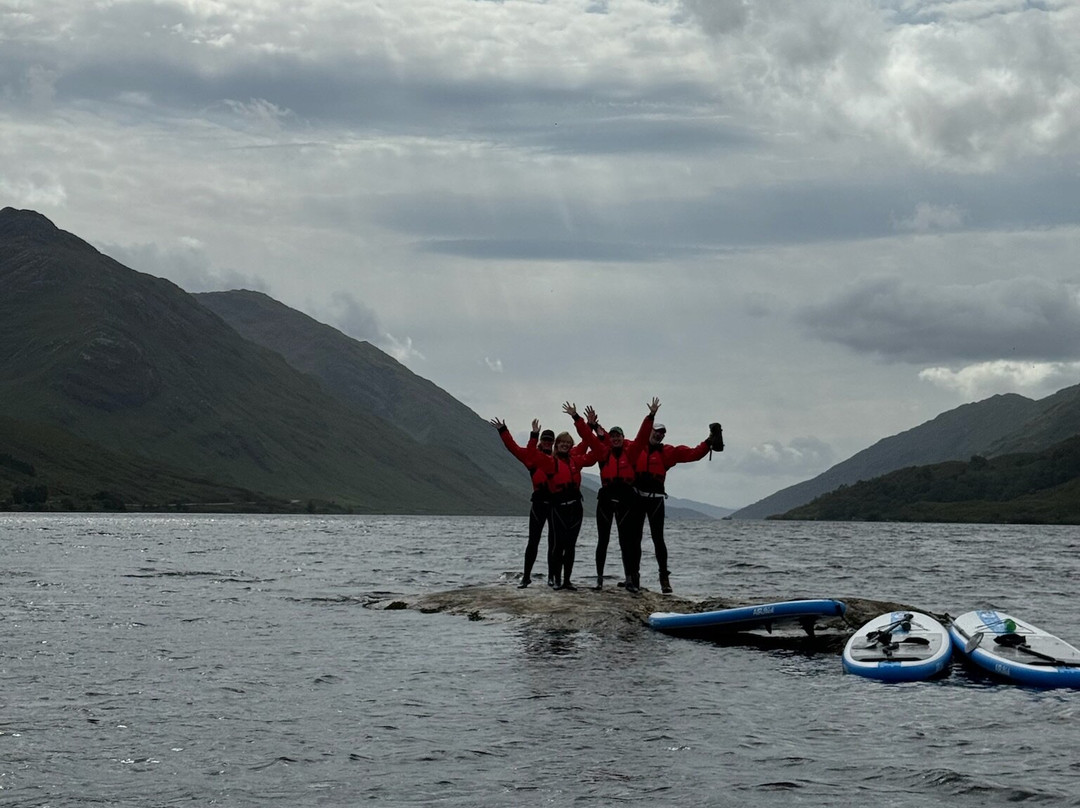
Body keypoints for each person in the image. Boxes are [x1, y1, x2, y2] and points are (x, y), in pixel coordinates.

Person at [623, 397, 723, 594]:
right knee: (634, 539)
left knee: (658, 539)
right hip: (637, 498)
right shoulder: (634, 447)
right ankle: (633, 577)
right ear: (649, 431)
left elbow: (693, 454)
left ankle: (664, 579)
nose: (659, 435)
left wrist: (708, 442)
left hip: (656, 501)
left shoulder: (668, 452)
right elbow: (610, 442)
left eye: (662, 433)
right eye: (656, 431)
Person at [526, 403, 602, 590]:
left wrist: (583, 423)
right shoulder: (550, 462)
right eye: (562, 443)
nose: (565, 446)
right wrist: (533, 435)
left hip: (576, 508)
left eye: (568, 444)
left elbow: (597, 449)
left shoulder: (577, 460)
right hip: (557, 507)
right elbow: (529, 454)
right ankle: (555, 579)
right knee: (557, 545)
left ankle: (567, 580)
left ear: (571, 446)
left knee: (571, 545)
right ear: (556, 445)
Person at [573, 405, 636, 591]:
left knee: (627, 541)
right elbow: (588, 436)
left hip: (625, 499)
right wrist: (578, 418)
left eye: (618, 436)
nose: (616, 438)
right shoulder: (603, 452)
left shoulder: (629, 453)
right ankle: (599, 580)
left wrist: (651, 415)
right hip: (606, 499)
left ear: (622, 439)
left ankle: (630, 580)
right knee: (603, 540)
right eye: (613, 436)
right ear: (610, 439)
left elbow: (642, 438)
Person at [490, 417, 557, 588]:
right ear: (541, 441)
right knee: (533, 541)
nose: (548, 443)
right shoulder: (530, 457)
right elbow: (512, 448)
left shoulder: (558, 458)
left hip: (555, 503)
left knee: (554, 541)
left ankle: (552, 577)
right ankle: (526, 577)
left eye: (550, 441)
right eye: (545, 440)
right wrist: (503, 430)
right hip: (539, 503)